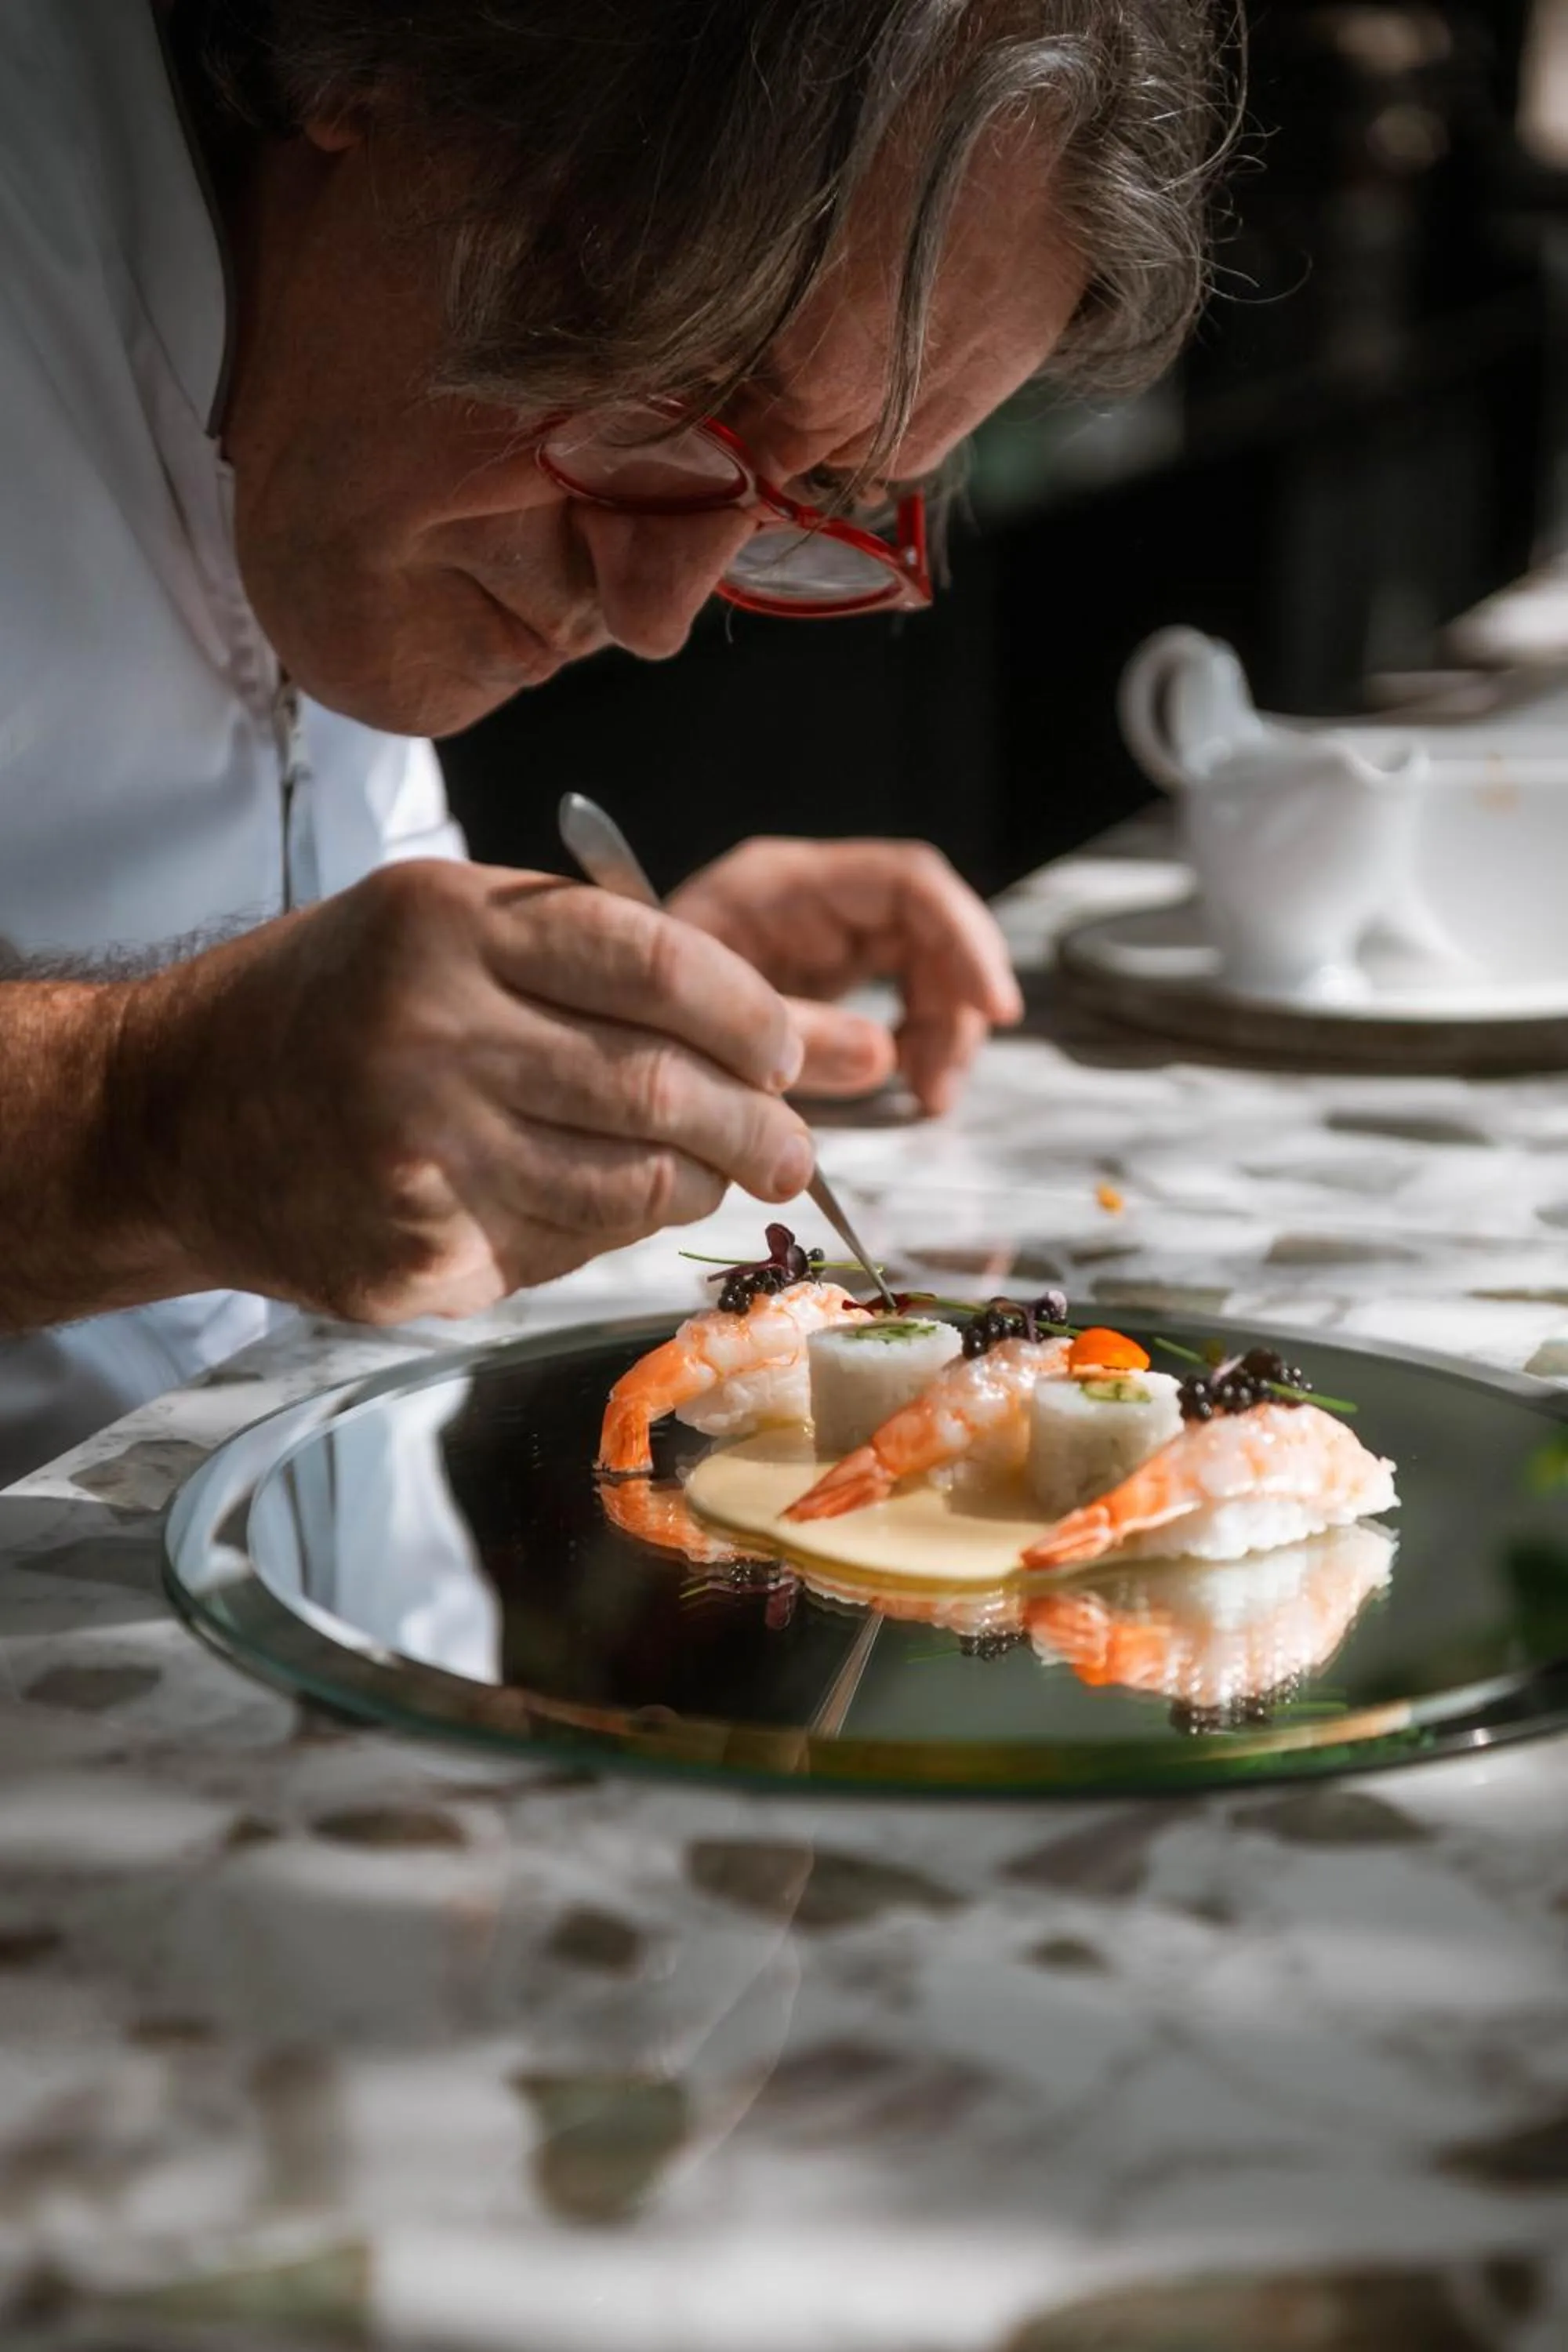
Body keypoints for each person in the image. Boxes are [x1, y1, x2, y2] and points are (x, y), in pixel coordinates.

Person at [0, 0, 1224, 1481]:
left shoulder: (354, 362)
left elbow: (221, 972)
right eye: (677, 399)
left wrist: (578, 1052)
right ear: (385, 60)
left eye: (809, 491)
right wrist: (138, 1124)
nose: (659, 612)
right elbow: (175, 1059)